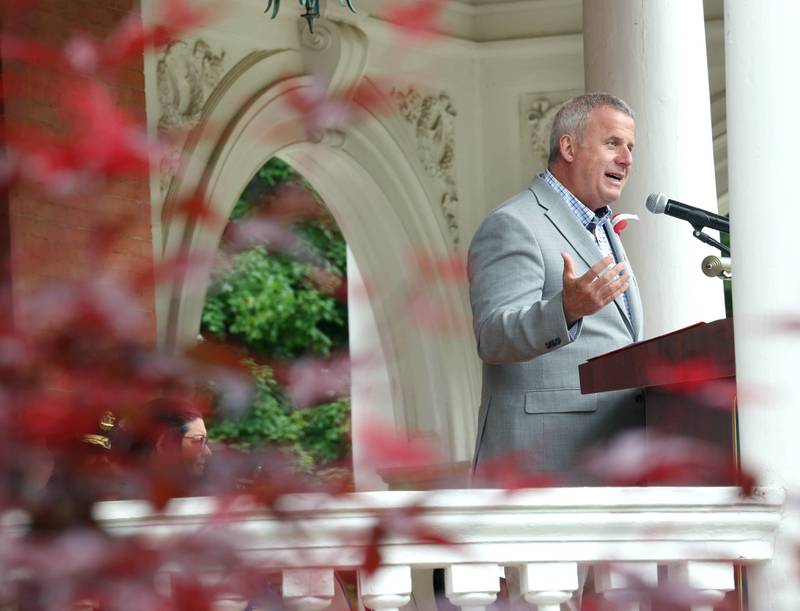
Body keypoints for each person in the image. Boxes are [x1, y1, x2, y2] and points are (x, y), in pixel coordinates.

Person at [468, 92, 645, 482]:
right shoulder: (514, 223)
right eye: (613, 143)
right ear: (568, 146)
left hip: (607, 461)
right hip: (541, 466)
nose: (627, 159)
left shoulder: (602, 229)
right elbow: (494, 337)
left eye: (631, 147)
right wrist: (565, 310)